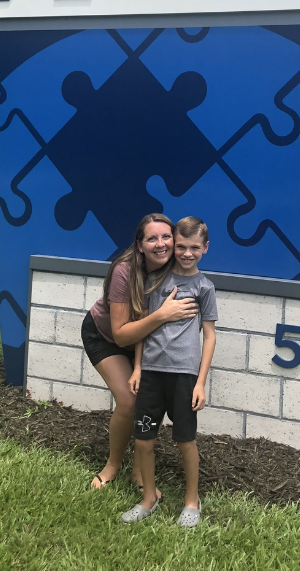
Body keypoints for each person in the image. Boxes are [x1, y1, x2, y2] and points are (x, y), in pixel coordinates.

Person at [81, 213, 199, 492]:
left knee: (149, 396)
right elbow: (121, 332)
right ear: (139, 245)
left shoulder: (174, 266)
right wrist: (161, 316)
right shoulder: (124, 271)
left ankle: (138, 468)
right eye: (152, 238)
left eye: (166, 236)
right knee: (128, 400)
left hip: (145, 340)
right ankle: (113, 464)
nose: (161, 244)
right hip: (105, 335)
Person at [121, 216, 217, 527]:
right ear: (173, 246)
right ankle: (149, 498)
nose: (187, 253)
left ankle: (192, 501)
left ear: (205, 248)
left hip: (184, 377)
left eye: (194, 248)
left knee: (184, 439)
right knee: (144, 439)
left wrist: (200, 383)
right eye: (181, 246)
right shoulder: (154, 282)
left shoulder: (205, 287)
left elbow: (209, 335)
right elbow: (143, 330)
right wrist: (137, 367)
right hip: (151, 373)